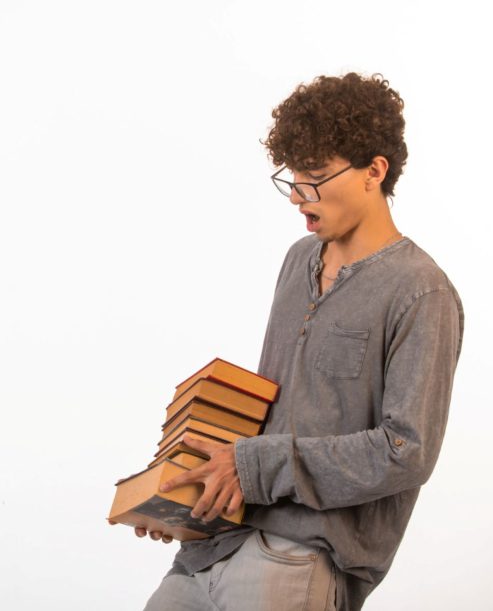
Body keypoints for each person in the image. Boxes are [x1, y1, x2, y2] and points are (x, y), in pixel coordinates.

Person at [136, 72, 464, 611]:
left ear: (373, 172)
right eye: (291, 177)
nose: (296, 196)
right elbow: (272, 411)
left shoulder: (421, 291)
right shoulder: (297, 261)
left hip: (299, 557)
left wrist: (253, 467)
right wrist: (188, 492)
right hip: (212, 547)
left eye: (313, 177)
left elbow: (406, 451)